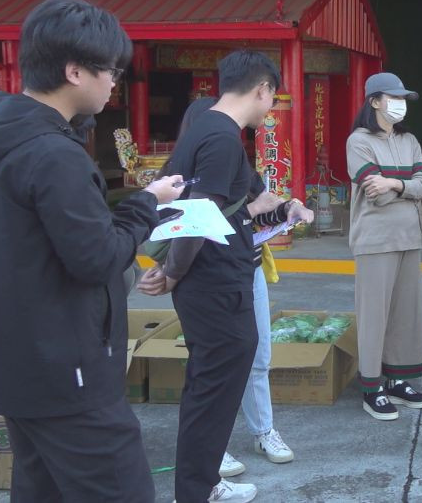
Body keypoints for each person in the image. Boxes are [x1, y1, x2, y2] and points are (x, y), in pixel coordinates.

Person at [0, 0, 185, 501]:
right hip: (66, 374)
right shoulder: (53, 155)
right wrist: (146, 203)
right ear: (75, 71)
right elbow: (97, 258)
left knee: (43, 489)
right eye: (111, 70)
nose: (114, 82)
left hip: (17, 363)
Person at [138, 49, 282, 503]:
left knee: (208, 384)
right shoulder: (222, 139)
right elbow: (197, 216)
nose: (270, 108)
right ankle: (198, 490)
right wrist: (173, 272)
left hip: (209, 281)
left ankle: (200, 483)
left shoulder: (203, 129)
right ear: (262, 89)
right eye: (272, 98)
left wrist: (172, 270)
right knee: (214, 388)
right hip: (216, 283)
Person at [161, 99, 311, 479]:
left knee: (256, 355)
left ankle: (263, 431)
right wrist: (170, 271)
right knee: (212, 367)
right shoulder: (178, 178)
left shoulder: (237, 164)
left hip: (248, 270)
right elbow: (177, 230)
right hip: (206, 280)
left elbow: (262, 208)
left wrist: (289, 209)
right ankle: (215, 449)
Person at [346, 72, 422, 421]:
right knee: (374, 315)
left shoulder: (409, 140)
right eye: (394, 98)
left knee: (405, 313)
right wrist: (405, 186)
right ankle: (372, 387)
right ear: (375, 101)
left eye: (402, 99)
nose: (400, 104)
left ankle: (398, 380)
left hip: (410, 236)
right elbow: (374, 192)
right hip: (375, 239)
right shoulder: (358, 141)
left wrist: (394, 184)